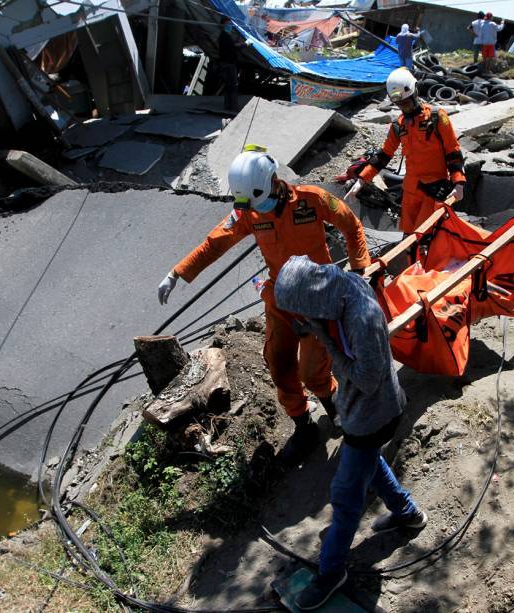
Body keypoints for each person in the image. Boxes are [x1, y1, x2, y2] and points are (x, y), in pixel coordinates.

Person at [157, 147, 371, 462]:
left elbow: (351, 225)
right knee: (280, 364)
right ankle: (303, 426)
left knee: (312, 372)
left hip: (318, 297)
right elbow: (215, 242)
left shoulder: (312, 200)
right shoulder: (249, 211)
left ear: (273, 180)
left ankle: (334, 406)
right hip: (281, 299)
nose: (260, 209)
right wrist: (178, 272)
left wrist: (359, 269)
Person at [274, 255, 426, 611]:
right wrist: (318, 326)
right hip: (360, 412)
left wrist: (325, 342)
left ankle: (331, 573)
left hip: (376, 412)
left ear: (312, 298)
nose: (301, 321)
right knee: (367, 462)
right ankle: (407, 513)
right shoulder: (336, 294)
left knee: (344, 496)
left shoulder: (361, 316)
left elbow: (368, 379)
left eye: (301, 312)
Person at [347, 68, 466, 236]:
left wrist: (459, 183)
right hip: (410, 192)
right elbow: (383, 156)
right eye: (400, 104)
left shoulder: (436, 117)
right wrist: (362, 180)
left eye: (406, 103)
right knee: (408, 238)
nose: (405, 108)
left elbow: (453, 151)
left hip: (433, 190)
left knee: (425, 238)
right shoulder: (398, 126)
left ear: (415, 92)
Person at [218, 17, 251, 112]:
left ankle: (228, 106)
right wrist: (245, 44)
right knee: (232, 86)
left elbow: (232, 46)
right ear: (224, 25)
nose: (230, 26)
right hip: (228, 64)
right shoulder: (225, 36)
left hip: (226, 63)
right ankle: (233, 108)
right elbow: (233, 47)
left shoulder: (224, 36)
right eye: (228, 24)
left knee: (229, 86)